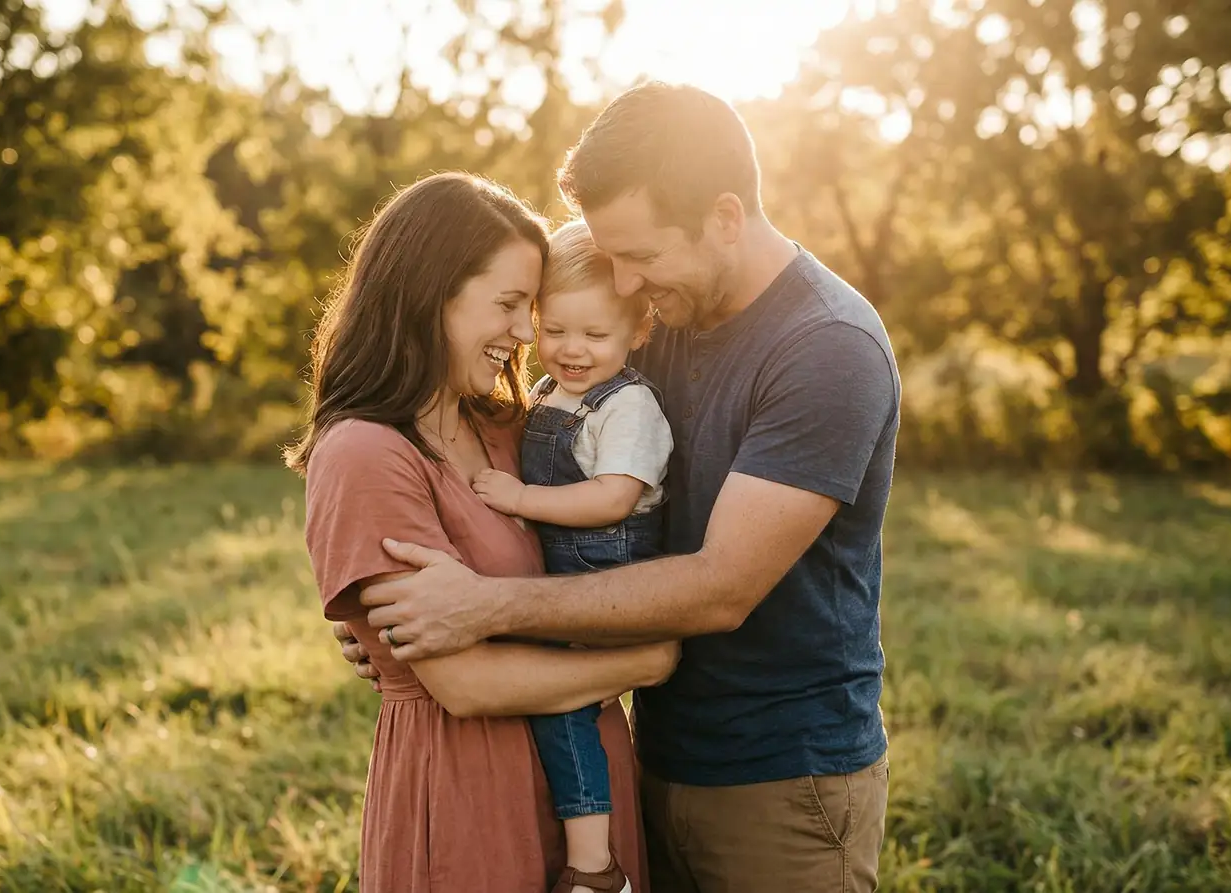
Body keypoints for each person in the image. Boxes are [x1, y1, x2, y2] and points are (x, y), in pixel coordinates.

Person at [337, 83, 902, 892]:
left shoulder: (826, 349)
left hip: (784, 776)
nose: (626, 284)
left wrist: (480, 608)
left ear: (725, 218)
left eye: (640, 256)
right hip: (647, 746)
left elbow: (720, 589)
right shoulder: (655, 318)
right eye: (612, 259)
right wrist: (388, 618)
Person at [286, 170, 677, 893]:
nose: (526, 332)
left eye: (530, 307)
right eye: (507, 305)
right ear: (429, 292)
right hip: (468, 791)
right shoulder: (365, 451)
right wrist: (644, 663)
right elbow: (461, 683)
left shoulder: (511, 429)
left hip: (587, 788)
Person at [469, 218, 674, 892]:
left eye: (595, 335)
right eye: (555, 330)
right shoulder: (552, 395)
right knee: (547, 691)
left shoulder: (630, 405)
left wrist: (522, 498)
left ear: (637, 333)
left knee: (560, 701)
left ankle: (594, 867)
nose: (572, 350)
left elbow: (614, 498)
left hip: (607, 572)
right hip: (566, 571)